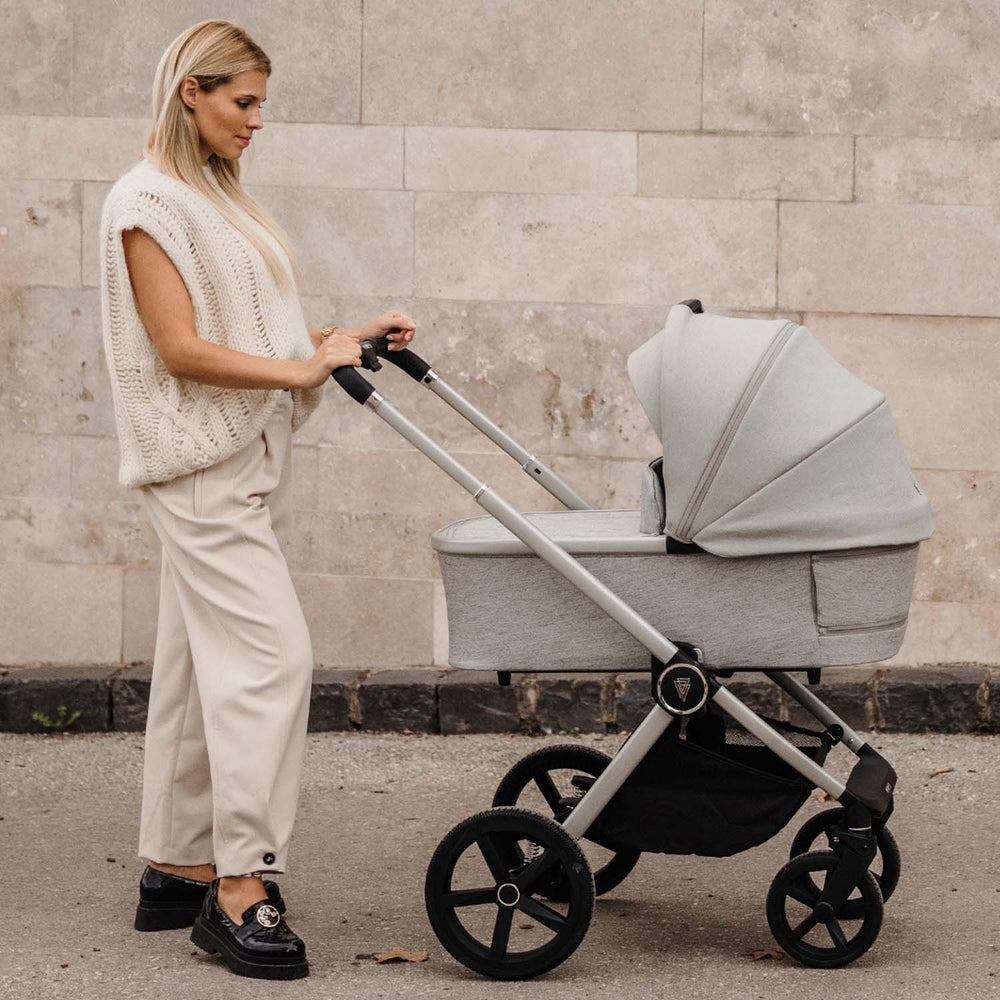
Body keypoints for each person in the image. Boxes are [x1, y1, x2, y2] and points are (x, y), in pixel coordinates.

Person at [98, 18, 415, 981]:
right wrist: (302, 370)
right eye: (244, 102)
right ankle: (240, 887)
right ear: (190, 91)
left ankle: (173, 863)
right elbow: (180, 350)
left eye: (262, 104)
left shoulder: (216, 198)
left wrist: (341, 337)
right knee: (273, 660)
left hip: (241, 456)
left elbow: (261, 329)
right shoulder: (145, 203)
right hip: (199, 466)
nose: (257, 121)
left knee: (203, 666)